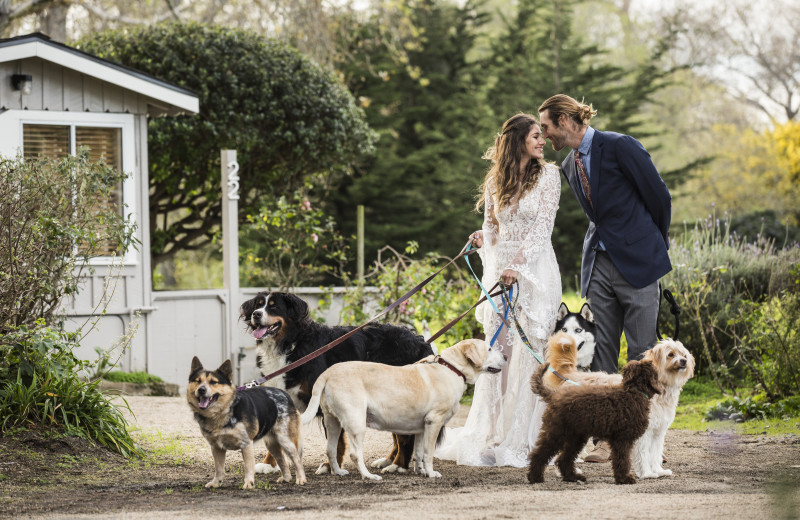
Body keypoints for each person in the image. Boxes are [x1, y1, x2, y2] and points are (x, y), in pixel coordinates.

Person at [538, 94, 672, 462]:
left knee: (645, 351)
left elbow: (659, 197)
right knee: (604, 352)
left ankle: (648, 442)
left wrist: (652, 244)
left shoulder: (620, 145)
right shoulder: (567, 164)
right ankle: (605, 440)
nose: (546, 134)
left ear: (565, 120)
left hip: (639, 262)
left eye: (547, 126)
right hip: (597, 263)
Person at [436, 113, 562, 467]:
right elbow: (493, 227)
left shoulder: (550, 176)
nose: (542, 141)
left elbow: (542, 229)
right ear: (518, 140)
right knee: (498, 354)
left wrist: (518, 267)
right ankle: (491, 434)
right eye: (536, 136)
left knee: (529, 351)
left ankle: (523, 437)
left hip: (536, 273)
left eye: (542, 135)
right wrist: (482, 238)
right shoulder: (496, 180)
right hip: (498, 274)